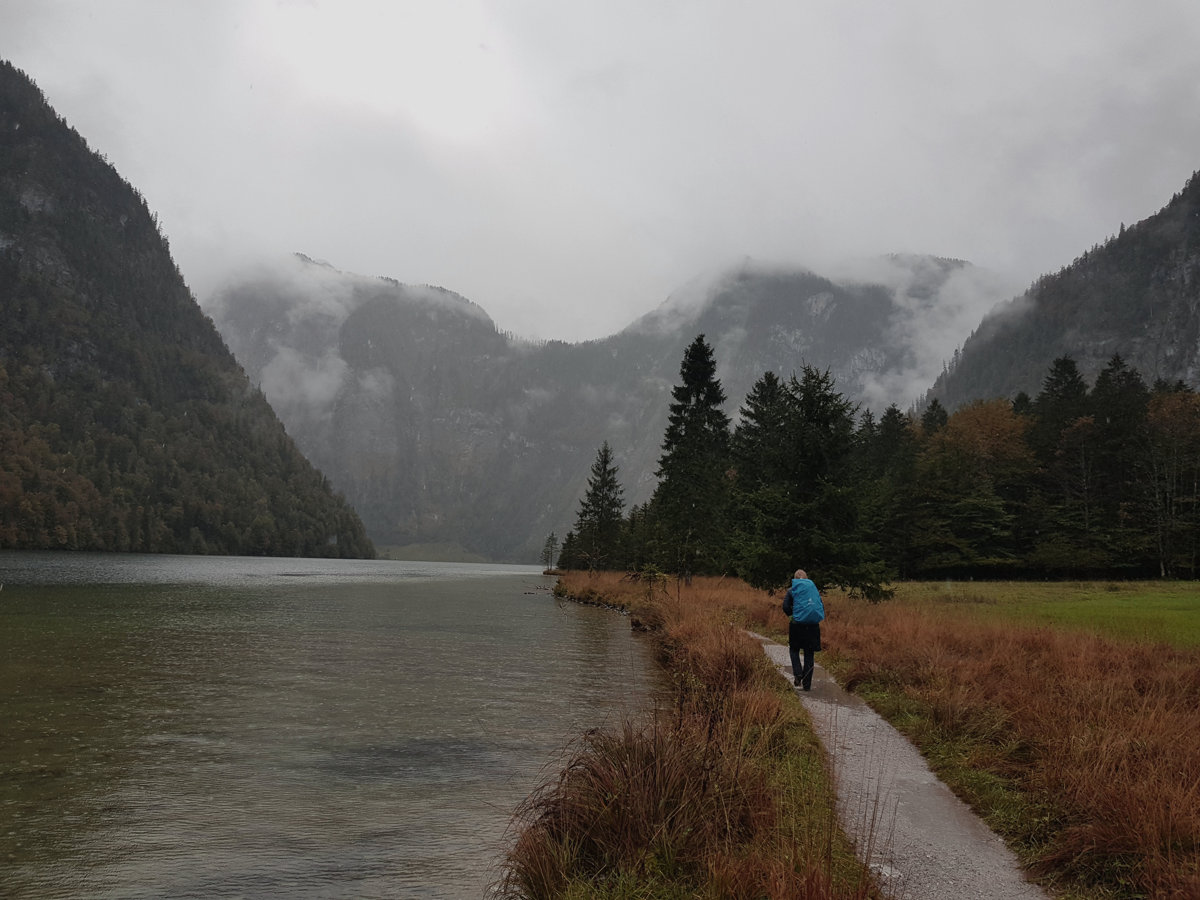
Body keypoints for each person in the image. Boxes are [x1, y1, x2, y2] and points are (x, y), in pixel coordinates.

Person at [782, 568, 824, 691]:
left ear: (795, 579)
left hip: (797, 626)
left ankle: (798, 673)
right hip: (813, 626)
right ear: (806, 578)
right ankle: (807, 685)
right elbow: (820, 605)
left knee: (794, 650)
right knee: (809, 654)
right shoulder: (814, 590)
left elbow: (785, 606)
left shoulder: (792, 590)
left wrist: (792, 617)